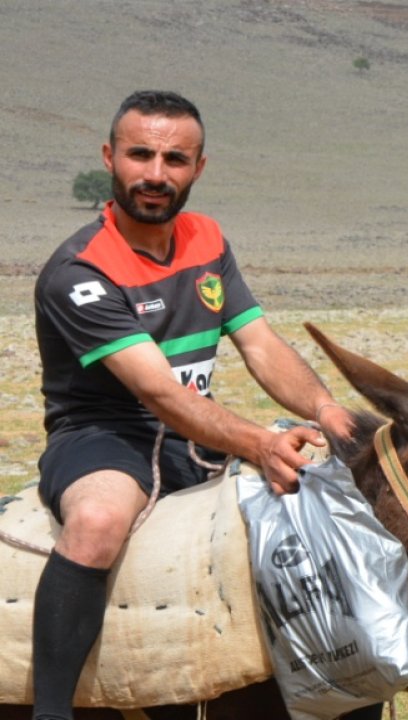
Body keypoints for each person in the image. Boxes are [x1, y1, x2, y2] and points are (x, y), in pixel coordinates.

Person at [30, 90, 361, 720]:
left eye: (175, 159)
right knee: (99, 521)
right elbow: (157, 393)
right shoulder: (78, 271)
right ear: (110, 157)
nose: (156, 174)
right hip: (105, 435)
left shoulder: (206, 238)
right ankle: (52, 709)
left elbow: (259, 344)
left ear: (199, 167)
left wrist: (326, 412)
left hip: (197, 438)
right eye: (140, 154)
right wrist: (261, 443)